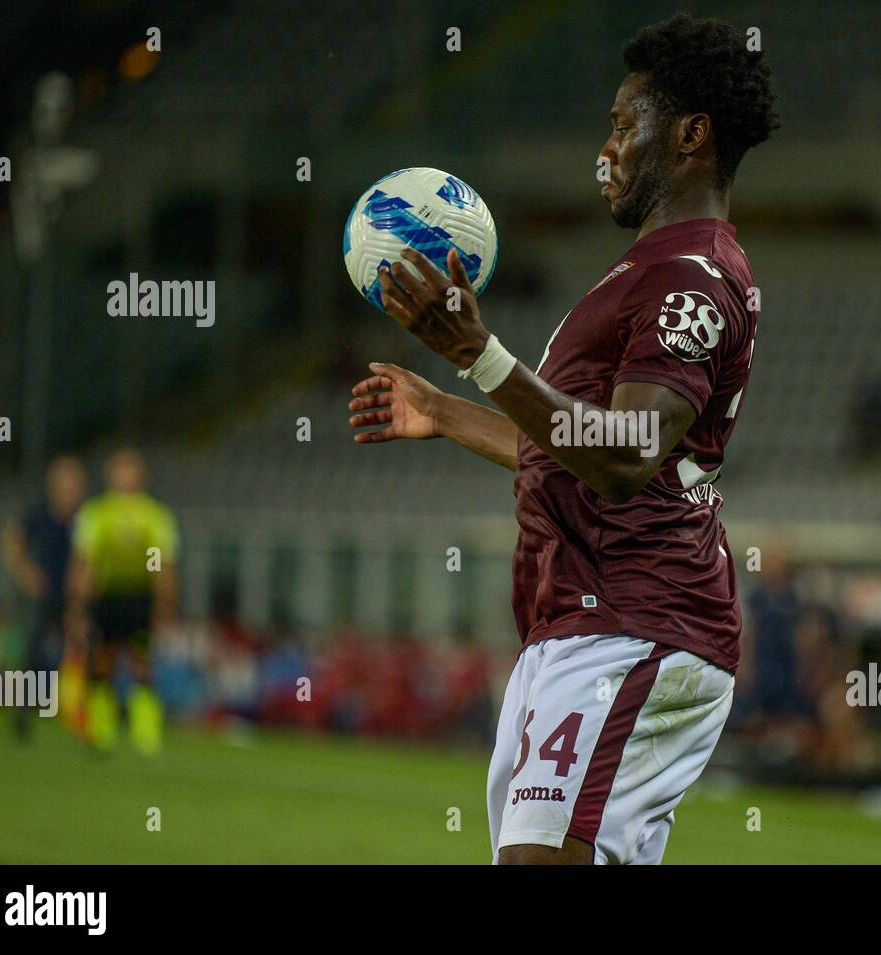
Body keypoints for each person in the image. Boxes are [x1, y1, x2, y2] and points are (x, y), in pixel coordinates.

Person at [347, 13, 778, 863]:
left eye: (625, 126)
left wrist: (482, 354)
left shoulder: (691, 280)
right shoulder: (650, 271)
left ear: (691, 135)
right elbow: (581, 451)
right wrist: (446, 411)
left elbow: (625, 456)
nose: (606, 149)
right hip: (581, 621)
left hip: (638, 619)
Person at [67, 448, 179, 755]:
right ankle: (102, 729)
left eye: (130, 470)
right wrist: (78, 603)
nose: (125, 476)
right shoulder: (96, 512)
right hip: (106, 597)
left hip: (139, 597)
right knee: (102, 662)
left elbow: (161, 561)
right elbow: (85, 560)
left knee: (142, 663)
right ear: (110, 475)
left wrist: (163, 600)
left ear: (140, 476)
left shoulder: (154, 515)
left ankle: (146, 732)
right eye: (120, 470)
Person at [0, 455, 86, 739]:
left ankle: (76, 710)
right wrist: (25, 574)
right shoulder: (39, 514)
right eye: (65, 487)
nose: (70, 494)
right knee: (30, 650)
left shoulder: (87, 517)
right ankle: (21, 710)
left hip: (74, 596)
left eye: (74, 488)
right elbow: (9, 540)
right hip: (42, 594)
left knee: (79, 650)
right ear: (53, 488)